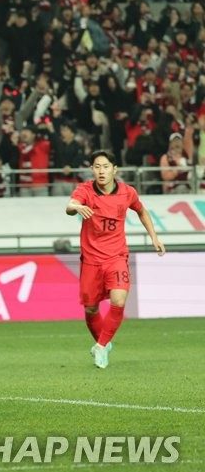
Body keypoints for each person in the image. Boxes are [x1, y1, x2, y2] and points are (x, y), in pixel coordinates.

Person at [65, 151, 165, 369]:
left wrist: (154, 238)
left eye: (106, 166)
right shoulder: (85, 190)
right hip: (91, 260)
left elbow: (142, 211)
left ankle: (101, 347)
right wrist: (77, 207)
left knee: (118, 300)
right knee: (91, 309)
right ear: (92, 169)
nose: (101, 171)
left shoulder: (127, 192)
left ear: (114, 169)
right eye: (97, 167)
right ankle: (103, 343)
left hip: (117, 256)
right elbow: (70, 206)